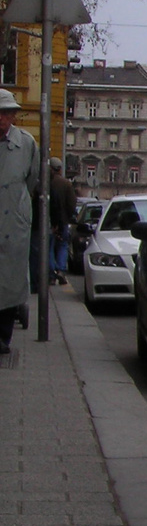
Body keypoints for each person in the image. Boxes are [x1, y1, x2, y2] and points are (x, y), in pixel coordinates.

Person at [0, 89, 40, 354]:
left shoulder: (26, 143)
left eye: (7, 114)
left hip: (12, 221)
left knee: (10, 281)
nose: (3, 119)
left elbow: (32, 180)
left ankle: (3, 338)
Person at [48, 157, 74, 285]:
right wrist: (68, 217)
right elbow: (72, 204)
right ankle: (61, 271)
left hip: (49, 221)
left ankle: (51, 274)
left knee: (49, 247)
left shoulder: (47, 183)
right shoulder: (66, 184)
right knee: (63, 245)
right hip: (63, 221)